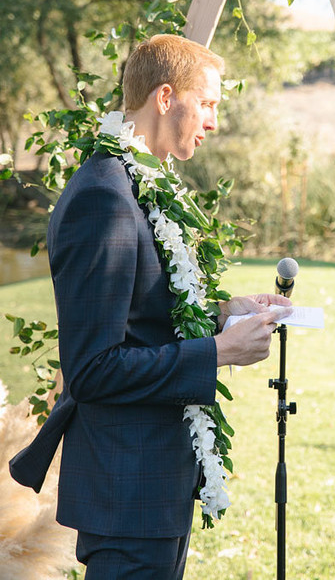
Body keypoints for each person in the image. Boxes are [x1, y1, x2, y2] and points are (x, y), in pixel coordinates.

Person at [9, 34, 292, 580]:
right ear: (166, 98)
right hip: (126, 491)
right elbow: (92, 369)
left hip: (152, 485)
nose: (212, 121)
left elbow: (141, 318)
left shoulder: (139, 186)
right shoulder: (105, 198)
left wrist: (222, 312)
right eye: (206, 103)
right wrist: (218, 352)